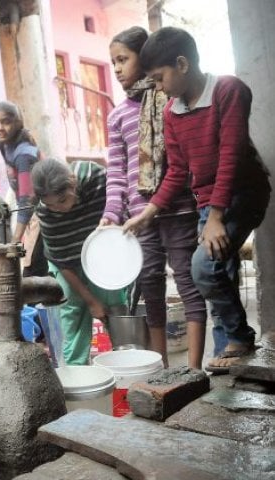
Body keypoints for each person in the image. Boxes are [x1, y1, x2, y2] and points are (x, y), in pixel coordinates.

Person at [124, 27, 271, 374]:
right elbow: (177, 171)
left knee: (203, 268)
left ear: (182, 64)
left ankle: (239, 335)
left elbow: (231, 155)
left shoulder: (228, 90)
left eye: (160, 78)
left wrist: (216, 216)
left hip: (242, 194)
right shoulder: (172, 112)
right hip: (210, 202)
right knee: (222, 271)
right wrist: (149, 212)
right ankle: (227, 360)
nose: (159, 87)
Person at [102, 26, 207, 369]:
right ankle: (160, 367)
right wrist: (111, 213)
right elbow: (116, 172)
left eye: (123, 59)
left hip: (178, 209)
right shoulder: (117, 116)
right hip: (138, 214)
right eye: (112, 62)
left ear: (144, 57)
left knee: (187, 281)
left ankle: (193, 370)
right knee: (150, 286)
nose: (116, 68)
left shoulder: (171, 100)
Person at [32, 159, 126, 365]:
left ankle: (125, 358)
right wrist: (91, 302)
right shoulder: (45, 212)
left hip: (101, 255)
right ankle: (76, 369)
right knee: (74, 307)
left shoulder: (97, 178)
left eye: (63, 200)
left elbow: (120, 201)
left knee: (113, 304)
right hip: (67, 263)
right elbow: (63, 262)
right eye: (51, 205)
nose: (59, 209)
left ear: (72, 182)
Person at [0, 101, 46, 276]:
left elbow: (27, 199)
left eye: (6, 122)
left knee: (32, 271)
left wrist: (16, 240)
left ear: (18, 122)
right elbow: (17, 185)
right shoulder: (5, 144)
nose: (0, 128)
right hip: (30, 212)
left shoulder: (24, 154)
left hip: (43, 213)